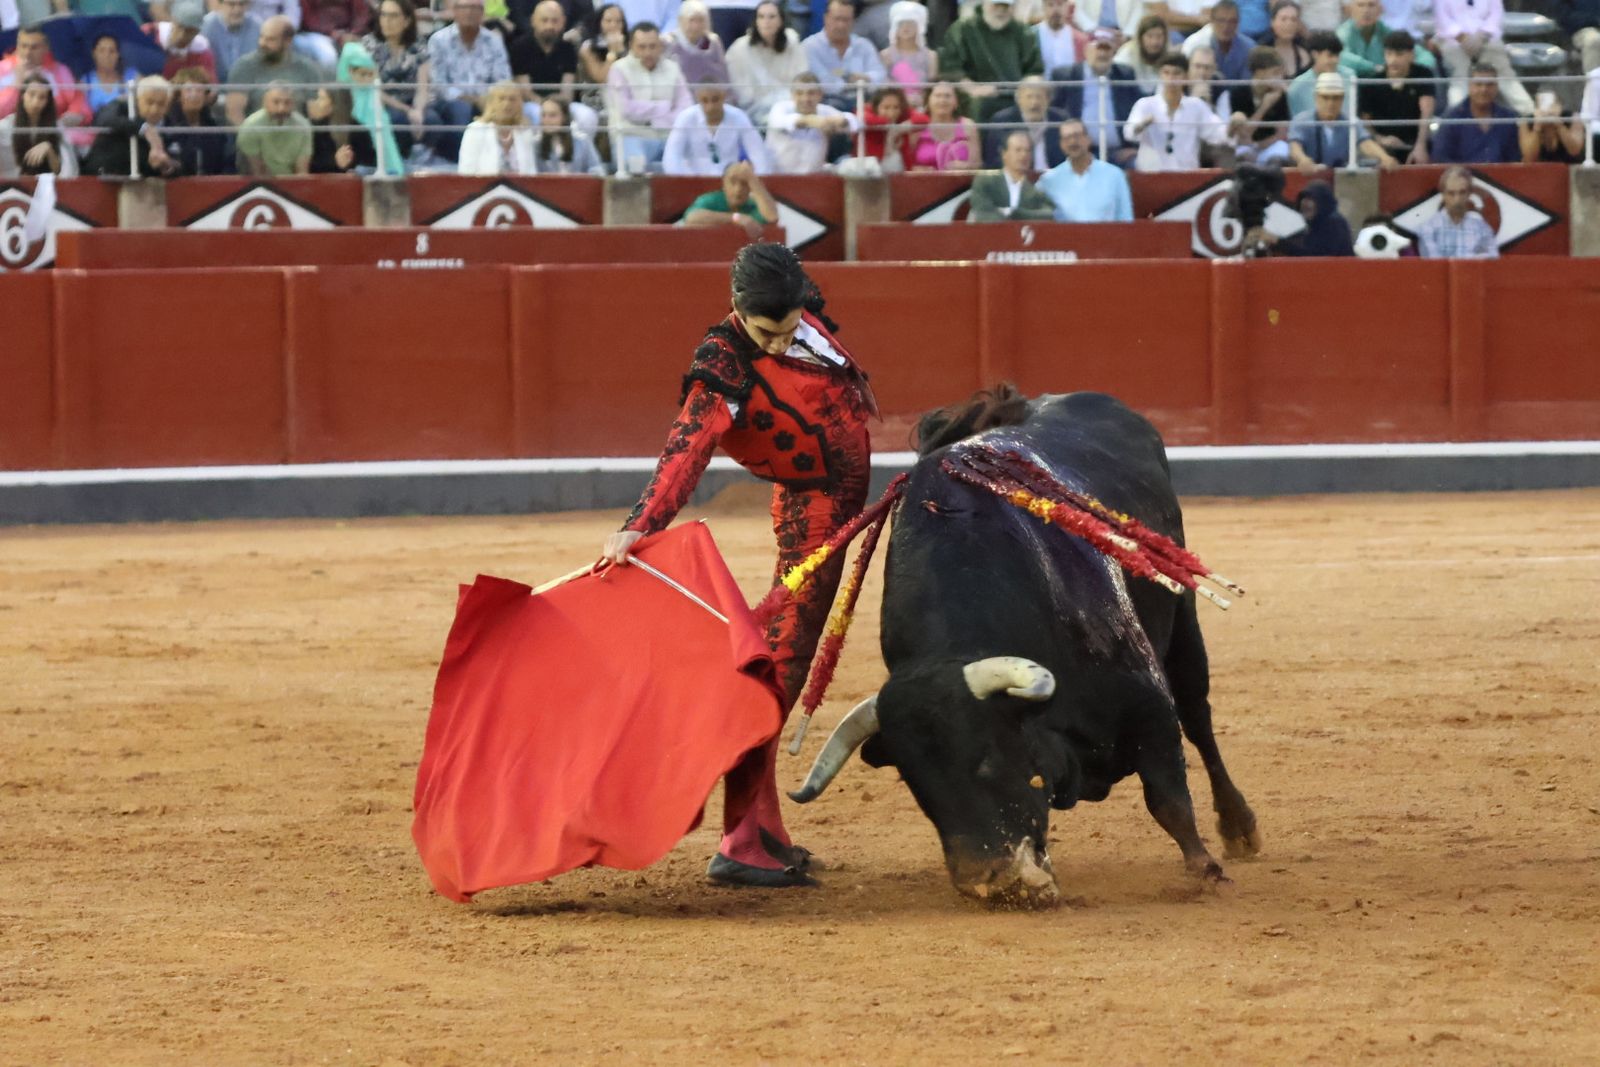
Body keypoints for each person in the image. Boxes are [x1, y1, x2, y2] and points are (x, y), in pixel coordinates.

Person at [601, 242, 877, 890]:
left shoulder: (791, 310)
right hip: (810, 519)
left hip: (832, 516)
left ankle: (765, 829)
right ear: (737, 311)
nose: (781, 344)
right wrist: (642, 523)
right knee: (776, 670)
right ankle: (741, 837)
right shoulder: (721, 366)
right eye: (767, 333)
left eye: (789, 330)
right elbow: (685, 450)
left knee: (786, 661)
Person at [429, 0, 515, 161]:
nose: (469, 12)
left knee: (508, 106)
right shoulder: (438, 40)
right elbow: (438, 84)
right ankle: (463, 161)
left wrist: (489, 98)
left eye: (475, 8)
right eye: (464, 7)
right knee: (461, 108)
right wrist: (473, 99)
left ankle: (501, 160)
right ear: (454, 11)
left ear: (482, 13)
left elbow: (503, 80)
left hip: (488, 101)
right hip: (448, 102)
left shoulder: (494, 41)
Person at [938, 0, 1044, 122]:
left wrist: (1025, 92)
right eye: (996, 5)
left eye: (1005, 6)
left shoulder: (1023, 32)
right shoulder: (962, 29)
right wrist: (974, 89)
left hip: (1017, 94)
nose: (1000, 11)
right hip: (975, 95)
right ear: (985, 3)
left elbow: (1034, 70)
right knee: (981, 104)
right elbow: (951, 70)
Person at [606, 20, 691, 172]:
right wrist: (664, 107)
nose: (647, 53)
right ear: (631, 45)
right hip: (631, 134)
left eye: (652, 46)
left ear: (660, 46)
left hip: (669, 135)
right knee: (634, 166)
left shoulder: (673, 69)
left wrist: (654, 117)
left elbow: (685, 108)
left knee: (688, 164)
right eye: (642, 47)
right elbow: (627, 109)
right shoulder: (618, 69)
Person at [1050, 26, 1143, 164]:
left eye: (1107, 49)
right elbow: (1054, 115)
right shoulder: (1066, 76)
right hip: (1078, 152)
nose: (1102, 54)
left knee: (1139, 164)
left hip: (1120, 152)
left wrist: (1133, 147)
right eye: (1098, 48)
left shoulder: (1125, 74)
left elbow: (1137, 111)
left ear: (1114, 52)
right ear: (1086, 50)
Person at [1124, 51, 1230, 169]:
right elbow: (1129, 133)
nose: (1171, 79)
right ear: (1160, 75)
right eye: (1166, 73)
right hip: (1151, 176)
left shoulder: (1196, 106)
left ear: (1185, 76)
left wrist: (1234, 126)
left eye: (1176, 73)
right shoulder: (1145, 104)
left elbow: (1218, 133)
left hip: (1186, 175)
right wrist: (1142, 125)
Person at [1433, 0, 1533, 115]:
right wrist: (1462, 37)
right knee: (1461, 78)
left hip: (1488, 40)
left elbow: (1496, 14)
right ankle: (1457, 118)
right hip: (1454, 42)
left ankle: (1529, 114)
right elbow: (1442, 18)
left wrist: (1482, 36)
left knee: (1505, 76)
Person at [364, 0, 434, 159]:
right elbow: (374, 90)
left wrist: (418, 110)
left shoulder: (418, 43)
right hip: (382, 102)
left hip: (412, 101)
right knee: (398, 120)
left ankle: (424, 159)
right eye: (383, 15)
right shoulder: (369, 45)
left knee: (431, 119)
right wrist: (407, 110)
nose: (386, 21)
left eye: (393, 16)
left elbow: (423, 87)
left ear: (407, 21)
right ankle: (398, 161)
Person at [226, 16, 327, 126]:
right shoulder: (244, 66)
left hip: (297, 137)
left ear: (287, 41)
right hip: (256, 137)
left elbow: (314, 113)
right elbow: (234, 113)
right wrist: (249, 137)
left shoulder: (306, 68)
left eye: (270, 39)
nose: (262, 43)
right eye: (261, 37)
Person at [1287, 69, 1396, 170]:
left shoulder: (1351, 122)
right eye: (1325, 97)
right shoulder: (1301, 121)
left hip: (1342, 180)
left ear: (1342, 99)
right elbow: (1295, 146)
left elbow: (1365, 143)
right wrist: (1302, 159)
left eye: (1336, 98)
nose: (1331, 103)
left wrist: (1384, 157)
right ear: (1316, 97)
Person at [1357, 30, 1435, 165]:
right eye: (1389, 54)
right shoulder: (1372, 82)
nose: (1393, 60)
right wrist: (1380, 139)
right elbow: (1365, 122)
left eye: (1399, 55)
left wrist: (1420, 146)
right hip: (1383, 145)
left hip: (1413, 142)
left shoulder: (1423, 74)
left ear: (1411, 55)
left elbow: (1426, 111)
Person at [663, 77, 770, 174]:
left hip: (729, 183)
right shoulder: (685, 118)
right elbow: (671, 156)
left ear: (724, 96)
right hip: (694, 182)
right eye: (705, 101)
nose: (711, 107)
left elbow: (758, 154)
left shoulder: (739, 117)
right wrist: (680, 182)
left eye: (715, 100)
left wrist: (759, 182)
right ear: (698, 98)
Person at [724, 0, 806, 124]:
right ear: (755, 21)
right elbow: (740, 91)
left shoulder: (792, 42)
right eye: (761, 17)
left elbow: (802, 78)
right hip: (753, 113)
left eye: (772, 17)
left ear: (781, 20)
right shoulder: (739, 49)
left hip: (790, 108)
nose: (766, 22)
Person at [1036, 116, 1134, 220]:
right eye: (1067, 138)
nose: (1072, 142)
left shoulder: (1115, 175)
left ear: (1088, 139)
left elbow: (1126, 219)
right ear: (1061, 145)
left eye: (1077, 136)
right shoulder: (1048, 181)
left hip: (1106, 235)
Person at [0, 25, 92, 132]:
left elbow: (80, 105)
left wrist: (74, 115)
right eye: (23, 46)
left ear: (46, 48)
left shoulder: (59, 71)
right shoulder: (2, 69)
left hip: (51, 133)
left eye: (34, 47)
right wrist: (17, 84)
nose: (27, 53)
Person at [84, 75, 180, 176]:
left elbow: (179, 164)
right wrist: (144, 129)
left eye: (161, 104)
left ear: (168, 105)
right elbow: (103, 120)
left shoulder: (171, 123)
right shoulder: (121, 106)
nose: (154, 110)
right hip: (105, 177)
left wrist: (166, 164)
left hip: (146, 183)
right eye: (149, 102)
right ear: (138, 100)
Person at [765, 70, 858, 173]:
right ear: (792, 95)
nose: (805, 98)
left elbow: (855, 122)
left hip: (813, 178)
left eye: (811, 93)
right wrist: (813, 121)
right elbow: (779, 121)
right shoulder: (780, 108)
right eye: (799, 93)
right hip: (777, 177)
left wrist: (841, 121)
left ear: (820, 95)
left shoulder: (824, 111)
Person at [802, 0, 887, 110]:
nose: (841, 25)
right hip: (825, 104)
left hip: (864, 101)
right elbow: (820, 80)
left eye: (846, 20)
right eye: (837, 19)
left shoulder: (864, 45)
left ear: (853, 21)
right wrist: (850, 83)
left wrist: (866, 78)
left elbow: (880, 74)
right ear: (826, 18)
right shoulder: (810, 46)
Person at [1431, 62, 1520, 164]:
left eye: (1489, 84)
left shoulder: (1508, 118)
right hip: (1464, 177)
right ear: (1469, 86)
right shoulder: (1451, 118)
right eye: (1478, 84)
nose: (1484, 89)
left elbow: (1515, 158)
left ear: (1497, 87)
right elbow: (1440, 158)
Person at [336, 40, 403, 173]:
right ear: (351, 72)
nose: (366, 79)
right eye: (362, 74)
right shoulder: (342, 96)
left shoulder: (374, 95)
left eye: (370, 74)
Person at [968, 129, 1059, 221]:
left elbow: (1049, 213)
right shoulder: (985, 181)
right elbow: (983, 213)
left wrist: (1015, 213)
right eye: (1018, 150)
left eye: (1027, 151)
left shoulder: (1036, 186)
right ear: (1004, 153)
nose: (1024, 155)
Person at [0, 71, 76, 177]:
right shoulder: (6, 126)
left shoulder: (56, 127)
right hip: (11, 188)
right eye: (31, 94)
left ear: (48, 101)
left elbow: (64, 173)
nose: (35, 102)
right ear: (23, 95)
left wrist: (48, 149)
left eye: (42, 97)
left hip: (47, 188)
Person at [983, 75, 1067, 169]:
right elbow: (994, 161)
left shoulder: (1061, 119)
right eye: (1029, 97)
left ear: (1048, 100)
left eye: (1039, 97)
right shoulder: (1002, 121)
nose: (1034, 102)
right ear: (1019, 99)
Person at [680, 158, 777, 238]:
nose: (738, 189)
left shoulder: (753, 205)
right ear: (723, 184)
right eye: (733, 182)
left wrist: (752, 178)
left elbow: (772, 217)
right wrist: (736, 218)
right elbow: (691, 217)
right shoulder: (712, 200)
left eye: (745, 183)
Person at [1415, 164, 1498, 258]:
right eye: (1451, 193)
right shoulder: (1428, 229)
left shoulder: (1482, 228)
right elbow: (1433, 265)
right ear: (1443, 194)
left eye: (1462, 192)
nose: (1457, 199)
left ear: (1469, 194)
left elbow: (1492, 260)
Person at [162, 67, 232, 174]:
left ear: (205, 96)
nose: (194, 95)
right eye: (188, 90)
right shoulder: (167, 127)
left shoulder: (215, 130)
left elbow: (226, 164)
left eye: (199, 90)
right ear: (179, 95)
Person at [236, 80, 315, 174]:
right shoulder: (250, 127)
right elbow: (256, 171)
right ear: (264, 102)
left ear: (294, 103)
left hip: (292, 182)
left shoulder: (303, 126)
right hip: (260, 184)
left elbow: (302, 170)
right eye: (276, 102)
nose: (281, 108)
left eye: (287, 102)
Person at [459, 79, 537, 172]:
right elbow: (466, 171)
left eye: (512, 99)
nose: (507, 104)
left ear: (519, 104)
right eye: (501, 99)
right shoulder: (476, 130)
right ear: (491, 103)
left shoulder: (525, 132)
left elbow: (531, 171)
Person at [1229, 46, 1291, 162]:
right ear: (1259, 73)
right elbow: (1243, 135)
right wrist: (1264, 106)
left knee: (1281, 152)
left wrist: (1259, 145)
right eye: (1275, 73)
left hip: (1269, 145)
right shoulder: (1239, 93)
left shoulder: (1280, 95)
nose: (1280, 78)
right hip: (1244, 146)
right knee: (1243, 155)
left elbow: (1281, 134)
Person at [1262, 179, 1353, 254]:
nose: (1304, 203)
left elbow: (1316, 256)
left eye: (1310, 199)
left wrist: (1278, 242)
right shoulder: (1316, 222)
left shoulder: (1334, 223)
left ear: (1323, 202)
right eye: (1303, 199)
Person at [908, 79, 981, 170]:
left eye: (947, 96)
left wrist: (965, 167)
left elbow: (977, 165)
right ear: (928, 101)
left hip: (962, 182)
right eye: (938, 96)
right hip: (923, 182)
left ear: (956, 102)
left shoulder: (968, 125)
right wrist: (918, 169)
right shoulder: (918, 127)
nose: (942, 100)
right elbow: (906, 165)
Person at [146, 0, 220, 82]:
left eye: (189, 31)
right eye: (180, 27)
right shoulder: (148, 34)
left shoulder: (202, 52)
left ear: (197, 32)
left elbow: (211, 89)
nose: (182, 36)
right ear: (173, 21)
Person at [879, 0, 937, 102]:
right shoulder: (885, 55)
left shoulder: (931, 56)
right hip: (894, 106)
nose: (906, 27)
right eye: (901, 23)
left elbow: (932, 88)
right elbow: (883, 87)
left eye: (911, 23)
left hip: (922, 105)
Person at [1181, 0, 1254, 81]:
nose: (1226, 26)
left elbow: (1248, 84)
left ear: (1238, 22)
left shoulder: (1249, 47)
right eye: (1221, 20)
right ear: (1212, 21)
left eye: (1232, 21)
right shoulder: (1194, 43)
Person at [861, 83, 926, 171]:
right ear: (876, 107)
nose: (891, 113)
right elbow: (865, 118)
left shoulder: (903, 115)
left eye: (896, 107)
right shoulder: (867, 112)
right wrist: (890, 127)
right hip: (873, 173)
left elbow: (923, 119)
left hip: (901, 172)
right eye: (886, 107)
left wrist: (900, 128)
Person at [307, 82, 371, 171]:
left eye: (321, 99)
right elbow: (309, 164)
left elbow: (368, 163)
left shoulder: (359, 131)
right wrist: (334, 161)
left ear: (335, 104)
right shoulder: (315, 128)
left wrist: (349, 162)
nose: (316, 103)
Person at [666, 0, 728, 84]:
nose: (696, 26)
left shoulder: (712, 42)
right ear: (681, 20)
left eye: (701, 20)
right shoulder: (670, 41)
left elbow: (723, 76)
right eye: (691, 20)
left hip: (708, 93)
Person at [1285, 29, 1346, 115]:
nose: (1335, 60)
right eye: (1330, 55)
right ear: (1315, 54)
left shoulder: (1349, 77)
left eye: (1337, 55)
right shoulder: (1297, 87)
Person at [535, 95, 605, 170]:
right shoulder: (536, 144)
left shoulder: (582, 141)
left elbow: (596, 169)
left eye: (552, 115)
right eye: (543, 115)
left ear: (564, 117)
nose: (546, 120)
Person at [1518, 90, 1586, 164]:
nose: (1548, 110)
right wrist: (1537, 127)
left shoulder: (1572, 118)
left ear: (1560, 106)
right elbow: (1529, 157)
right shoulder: (1527, 122)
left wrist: (1559, 125)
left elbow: (1574, 151)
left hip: (1570, 168)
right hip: (1538, 170)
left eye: (1552, 105)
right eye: (1543, 105)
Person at [202, 0, 263, 81]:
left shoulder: (257, 26)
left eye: (241, 4)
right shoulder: (206, 26)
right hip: (215, 87)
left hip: (249, 87)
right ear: (220, 4)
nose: (237, 10)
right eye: (231, 4)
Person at [82, 35, 139, 114]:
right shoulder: (86, 81)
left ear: (118, 54)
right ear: (94, 53)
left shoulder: (130, 76)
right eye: (102, 50)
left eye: (112, 51)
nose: (107, 55)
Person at [1115, 13, 1170, 92]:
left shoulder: (1169, 56)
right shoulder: (1127, 54)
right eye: (1150, 36)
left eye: (1159, 36)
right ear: (1140, 38)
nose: (1155, 42)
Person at [578, 2, 628, 87]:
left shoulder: (630, 44)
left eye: (618, 21)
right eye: (608, 21)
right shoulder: (588, 47)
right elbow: (601, 78)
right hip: (596, 95)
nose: (613, 25)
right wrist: (613, 52)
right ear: (600, 23)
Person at [1037, 0, 1087, 76]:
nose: (1055, 10)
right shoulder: (1031, 36)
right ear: (1043, 8)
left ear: (1067, 7)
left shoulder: (1080, 39)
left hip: (1069, 86)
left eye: (1060, 4)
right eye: (1050, 5)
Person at [1266, 0, 1309, 75]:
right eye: (1283, 19)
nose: (1289, 24)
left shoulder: (1305, 54)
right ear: (1272, 22)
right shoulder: (1263, 51)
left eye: (1293, 19)